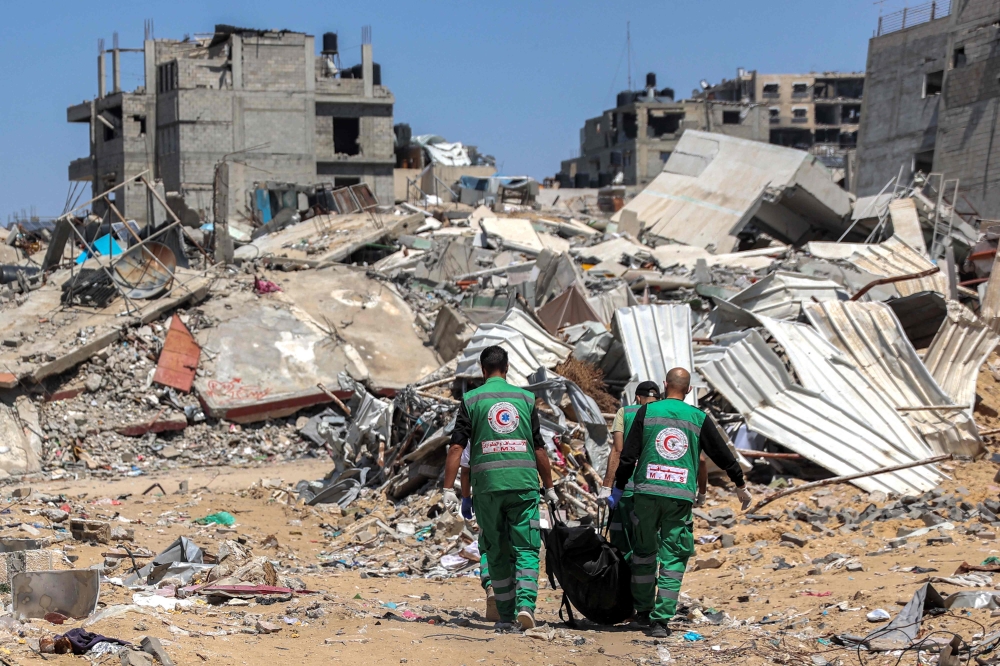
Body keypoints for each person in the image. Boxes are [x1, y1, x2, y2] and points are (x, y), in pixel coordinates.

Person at [609, 368, 751, 638]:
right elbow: (720, 453)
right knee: (674, 555)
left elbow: (628, 454)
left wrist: (618, 487)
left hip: (646, 494)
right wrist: (739, 484)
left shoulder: (646, 412)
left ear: (665, 386)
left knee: (643, 552)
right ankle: (660, 621)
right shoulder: (698, 417)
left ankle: (642, 611)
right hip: (678, 497)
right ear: (687, 390)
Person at [444, 345, 559, 632]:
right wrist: (549, 486)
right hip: (523, 486)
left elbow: (457, 446)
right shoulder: (525, 398)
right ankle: (526, 606)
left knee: (494, 549)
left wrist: (449, 488)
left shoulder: (471, 400)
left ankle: (506, 616)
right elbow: (539, 447)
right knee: (527, 548)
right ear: (506, 369)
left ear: (483, 371)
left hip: (488, 490)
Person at [600, 380, 663, 558]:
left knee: (622, 539)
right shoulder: (665, 415)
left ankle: (623, 581)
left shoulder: (625, 412)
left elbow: (618, 450)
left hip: (626, 488)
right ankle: (648, 582)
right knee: (649, 540)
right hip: (654, 488)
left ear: (637, 397)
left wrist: (607, 486)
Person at [459, 444, 499, 622]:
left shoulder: (477, 429)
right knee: (517, 546)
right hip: (518, 489)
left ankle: (492, 587)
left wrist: (466, 497)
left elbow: (465, 469)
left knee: (489, 544)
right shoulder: (519, 423)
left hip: (486, 493)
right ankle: (522, 603)